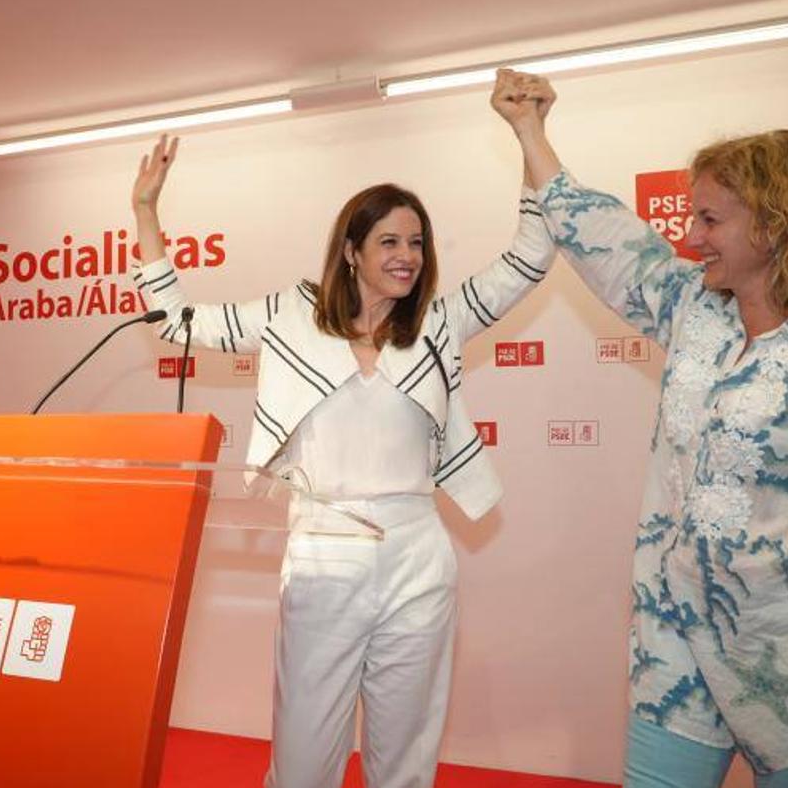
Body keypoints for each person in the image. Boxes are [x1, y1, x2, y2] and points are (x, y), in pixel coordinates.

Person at [490, 69, 788, 787]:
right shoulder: (695, 312)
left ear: (776, 224)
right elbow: (600, 236)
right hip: (675, 650)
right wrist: (529, 130)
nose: (690, 236)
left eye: (709, 219)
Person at [129, 127, 556, 788]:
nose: (407, 255)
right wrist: (146, 212)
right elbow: (175, 321)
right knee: (304, 754)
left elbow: (530, 257)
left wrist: (529, 133)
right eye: (389, 240)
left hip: (418, 552)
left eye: (416, 242)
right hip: (324, 549)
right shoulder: (289, 316)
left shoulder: (437, 326)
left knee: (406, 754)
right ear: (351, 250)